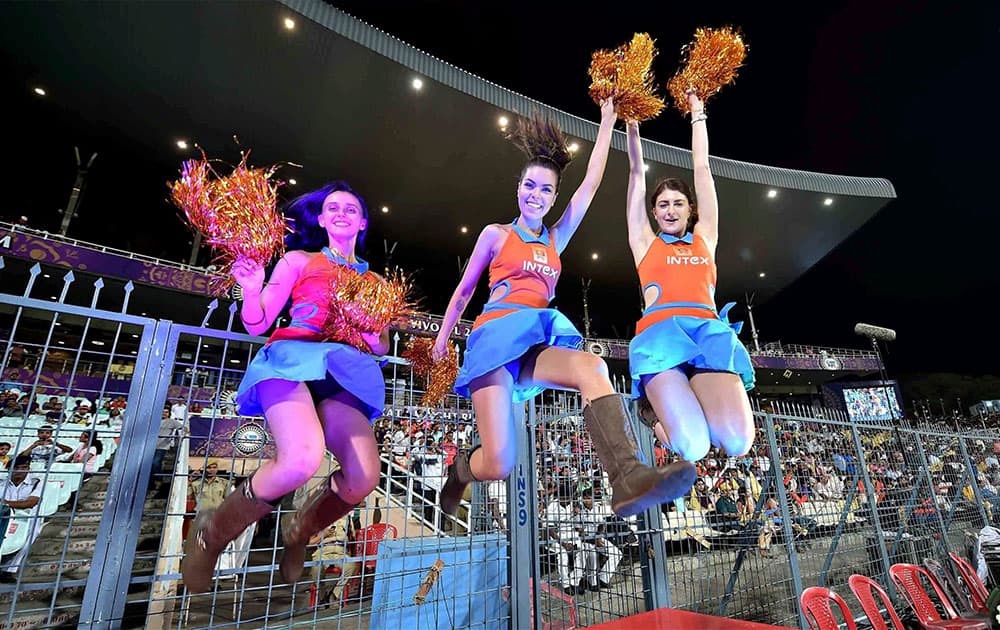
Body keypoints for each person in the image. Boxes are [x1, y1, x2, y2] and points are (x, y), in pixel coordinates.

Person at [432, 99, 694, 518]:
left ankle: (626, 477)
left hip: (534, 338)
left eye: (546, 189)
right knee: (500, 463)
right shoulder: (496, 234)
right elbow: (464, 291)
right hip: (496, 339)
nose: (536, 195)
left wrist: (607, 120)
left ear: (554, 197)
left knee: (592, 368)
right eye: (529, 186)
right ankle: (461, 470)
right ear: (518, 188)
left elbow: (590, 184)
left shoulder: (555, 239)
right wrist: (443, 338)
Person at [181, 181, 386, 593]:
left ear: (362, 222)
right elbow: (256, 323)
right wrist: (252, 289)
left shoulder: (377, 283)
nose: (342, 212)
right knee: (300, 460)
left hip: (344, 375)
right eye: (333, 207)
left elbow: (380, 344)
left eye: (351, 208)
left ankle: (299, 531)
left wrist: (364, 325)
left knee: (364, 477)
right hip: (292, 363)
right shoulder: (298, 260)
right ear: (324, 219)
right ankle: (211, 534)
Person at [623, 90, 755, 464]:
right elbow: (636, 173)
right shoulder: (645, 242)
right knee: (693, 447)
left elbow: (703, 170)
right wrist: (633, 123)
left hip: (707, 335)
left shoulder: (704, 239)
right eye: (662, 204)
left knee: (738, 442)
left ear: (690, 209)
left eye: (678, 203)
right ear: (654, 211)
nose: (670, 209)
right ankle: (655, 416)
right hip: (662, 338)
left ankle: (684, 404)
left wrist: (699, 113)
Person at [0, 456, 43, 581]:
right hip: (4, 516)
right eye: (16, 468)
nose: (20, 471)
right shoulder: (2, 483)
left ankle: (8, 570)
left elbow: (30, 503)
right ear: (8, 469)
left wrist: (6, 503)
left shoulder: (36, 483)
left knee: (30, 535)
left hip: (26, 517)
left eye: (24, 468)